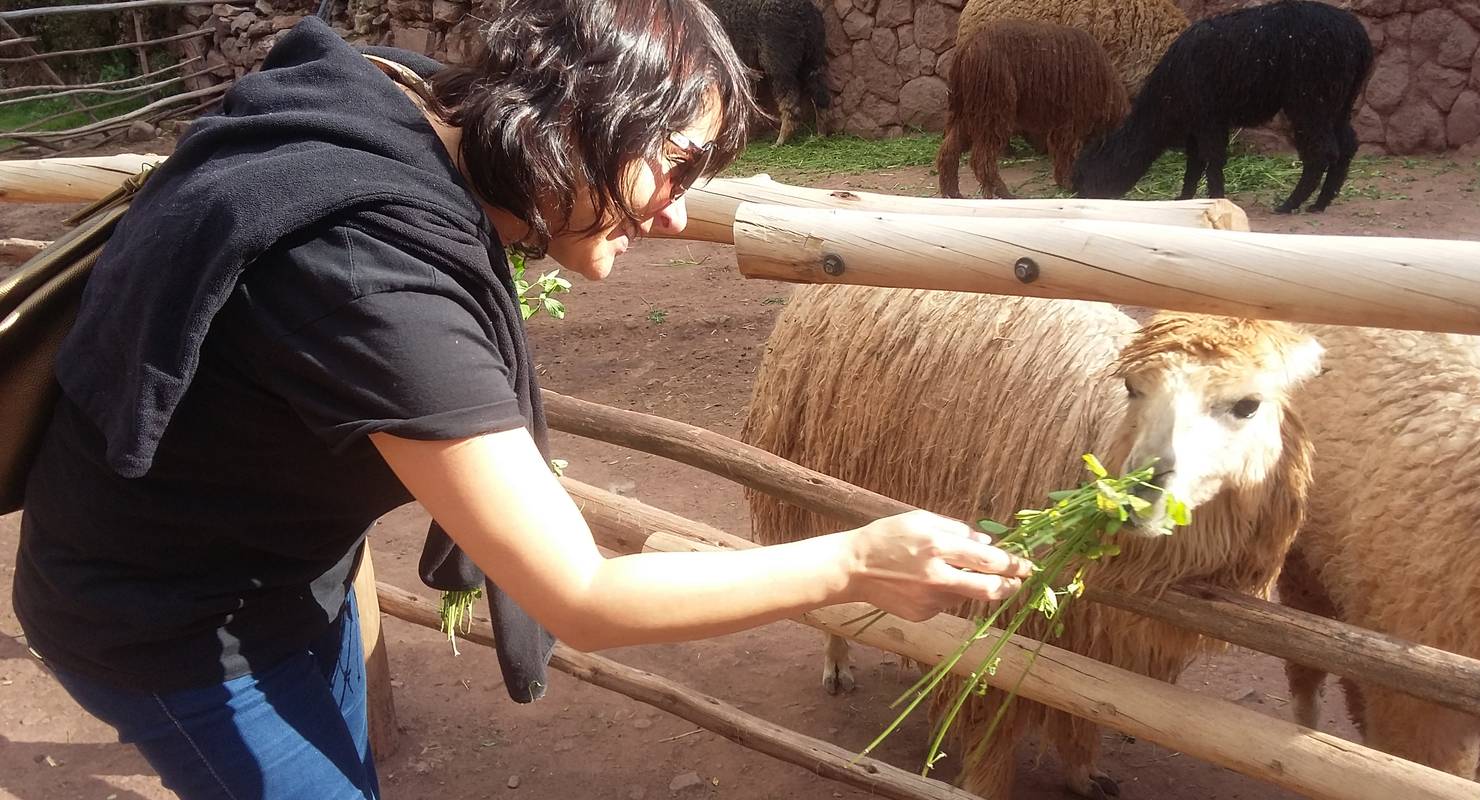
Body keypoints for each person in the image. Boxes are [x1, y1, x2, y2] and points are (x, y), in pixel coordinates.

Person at [11, 0, 1032, 797]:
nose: (676, 215)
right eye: (671, 163)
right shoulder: (373, 270)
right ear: (569, 123)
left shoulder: (414, 106)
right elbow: (580, 595)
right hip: (166, 617)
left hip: (276, 569)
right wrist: (854, 559)